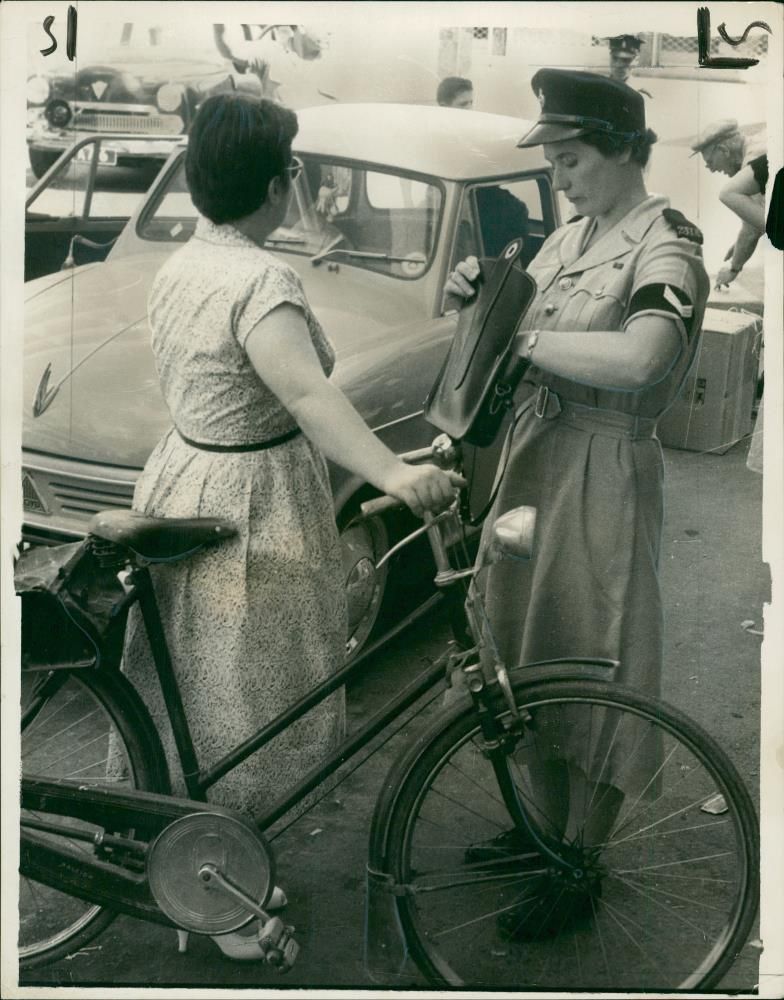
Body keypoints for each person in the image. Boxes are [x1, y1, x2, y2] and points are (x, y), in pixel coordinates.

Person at [121, 93, 463, 960]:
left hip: (185, 473)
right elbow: (309, 394)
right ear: (279, 184)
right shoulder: (261, 280)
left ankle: (186, 855)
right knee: (253, 696)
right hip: (251, 496)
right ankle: (225, 899)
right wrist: (394, 471)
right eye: (294, 171)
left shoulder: (188, 262)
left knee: (195, 690)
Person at [445, 68, 710, 940]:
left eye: (569, 158)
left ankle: (582, 861)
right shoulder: (569, 239)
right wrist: (477, 297)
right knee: (524, 654)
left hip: (601, 464)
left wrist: (524, 339)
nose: (557, 177)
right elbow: (517, 323)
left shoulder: (663, 239)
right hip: (532, 461)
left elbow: (641, 360)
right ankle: (541, 834)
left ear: (625, 151)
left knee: (597, 660)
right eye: (552, 160)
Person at [719, 154, 769, 474]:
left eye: (710, 155)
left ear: (723, 148)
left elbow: (731, 197)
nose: (711, 165)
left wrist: (734, 267)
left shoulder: (763, 159)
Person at [691, 119, 766, 288]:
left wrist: (733, 268)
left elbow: (752, 230)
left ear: (724, 150)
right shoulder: (760, 143)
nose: (711, 169)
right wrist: (740, 244)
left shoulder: (753, 161)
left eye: (710, 162)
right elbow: (761, 217)